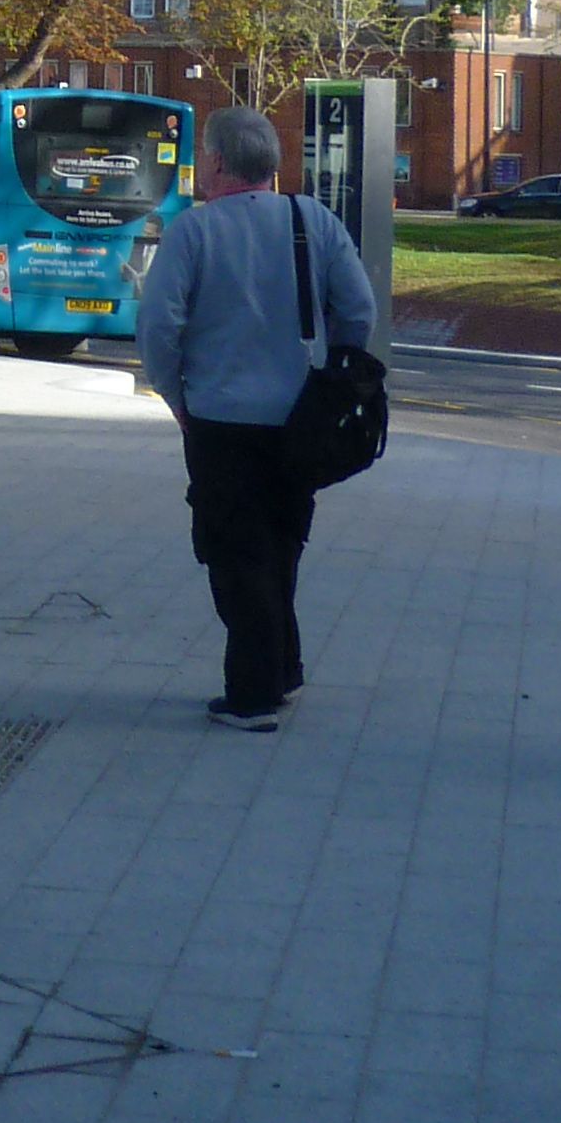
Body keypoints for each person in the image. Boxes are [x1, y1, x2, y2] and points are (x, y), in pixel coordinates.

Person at [135, 103, 374, 730]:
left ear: (215, 162)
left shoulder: (193, 231)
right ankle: (283, 670)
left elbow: (159, 325)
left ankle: (252, 695)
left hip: (219, 420)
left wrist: (175, 396)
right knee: (282, 543)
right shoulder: (313, 220)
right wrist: (334, 375)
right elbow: (359, 309)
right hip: (300, 420)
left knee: (233, 555)